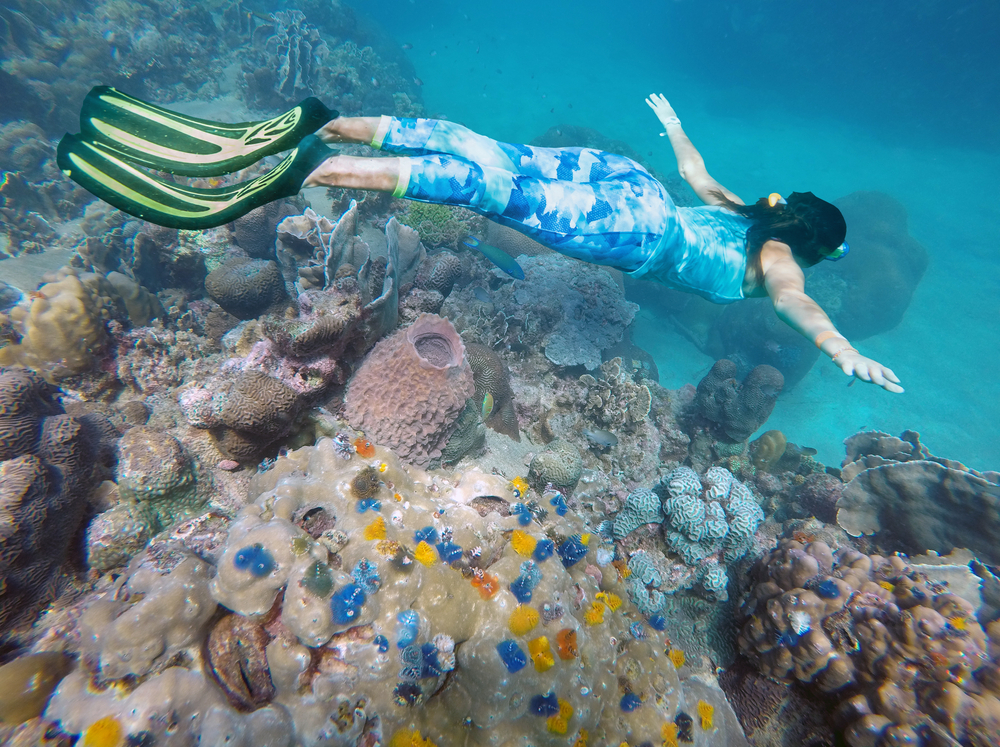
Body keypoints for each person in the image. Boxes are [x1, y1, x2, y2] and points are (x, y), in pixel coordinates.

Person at [57, 87, 901, 392]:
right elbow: (797, 302)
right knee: (487, 188)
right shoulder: (783, 259)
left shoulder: (752, 211)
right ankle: (308, 167)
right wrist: (840, 351)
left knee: (486, 150)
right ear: (813, 244)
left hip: (636, 185)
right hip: (636, 229)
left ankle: (327, 124)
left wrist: (674, 122)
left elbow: (695, 174)